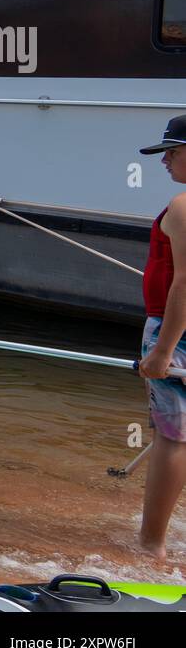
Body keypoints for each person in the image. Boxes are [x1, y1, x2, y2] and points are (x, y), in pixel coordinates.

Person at [135, 116, 186, 560]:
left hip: (175, 334)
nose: (165, 159)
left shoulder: (183, 205)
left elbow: (184, 282)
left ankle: (151, 546)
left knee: (172, 437)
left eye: (172, 151)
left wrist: (163, 349)